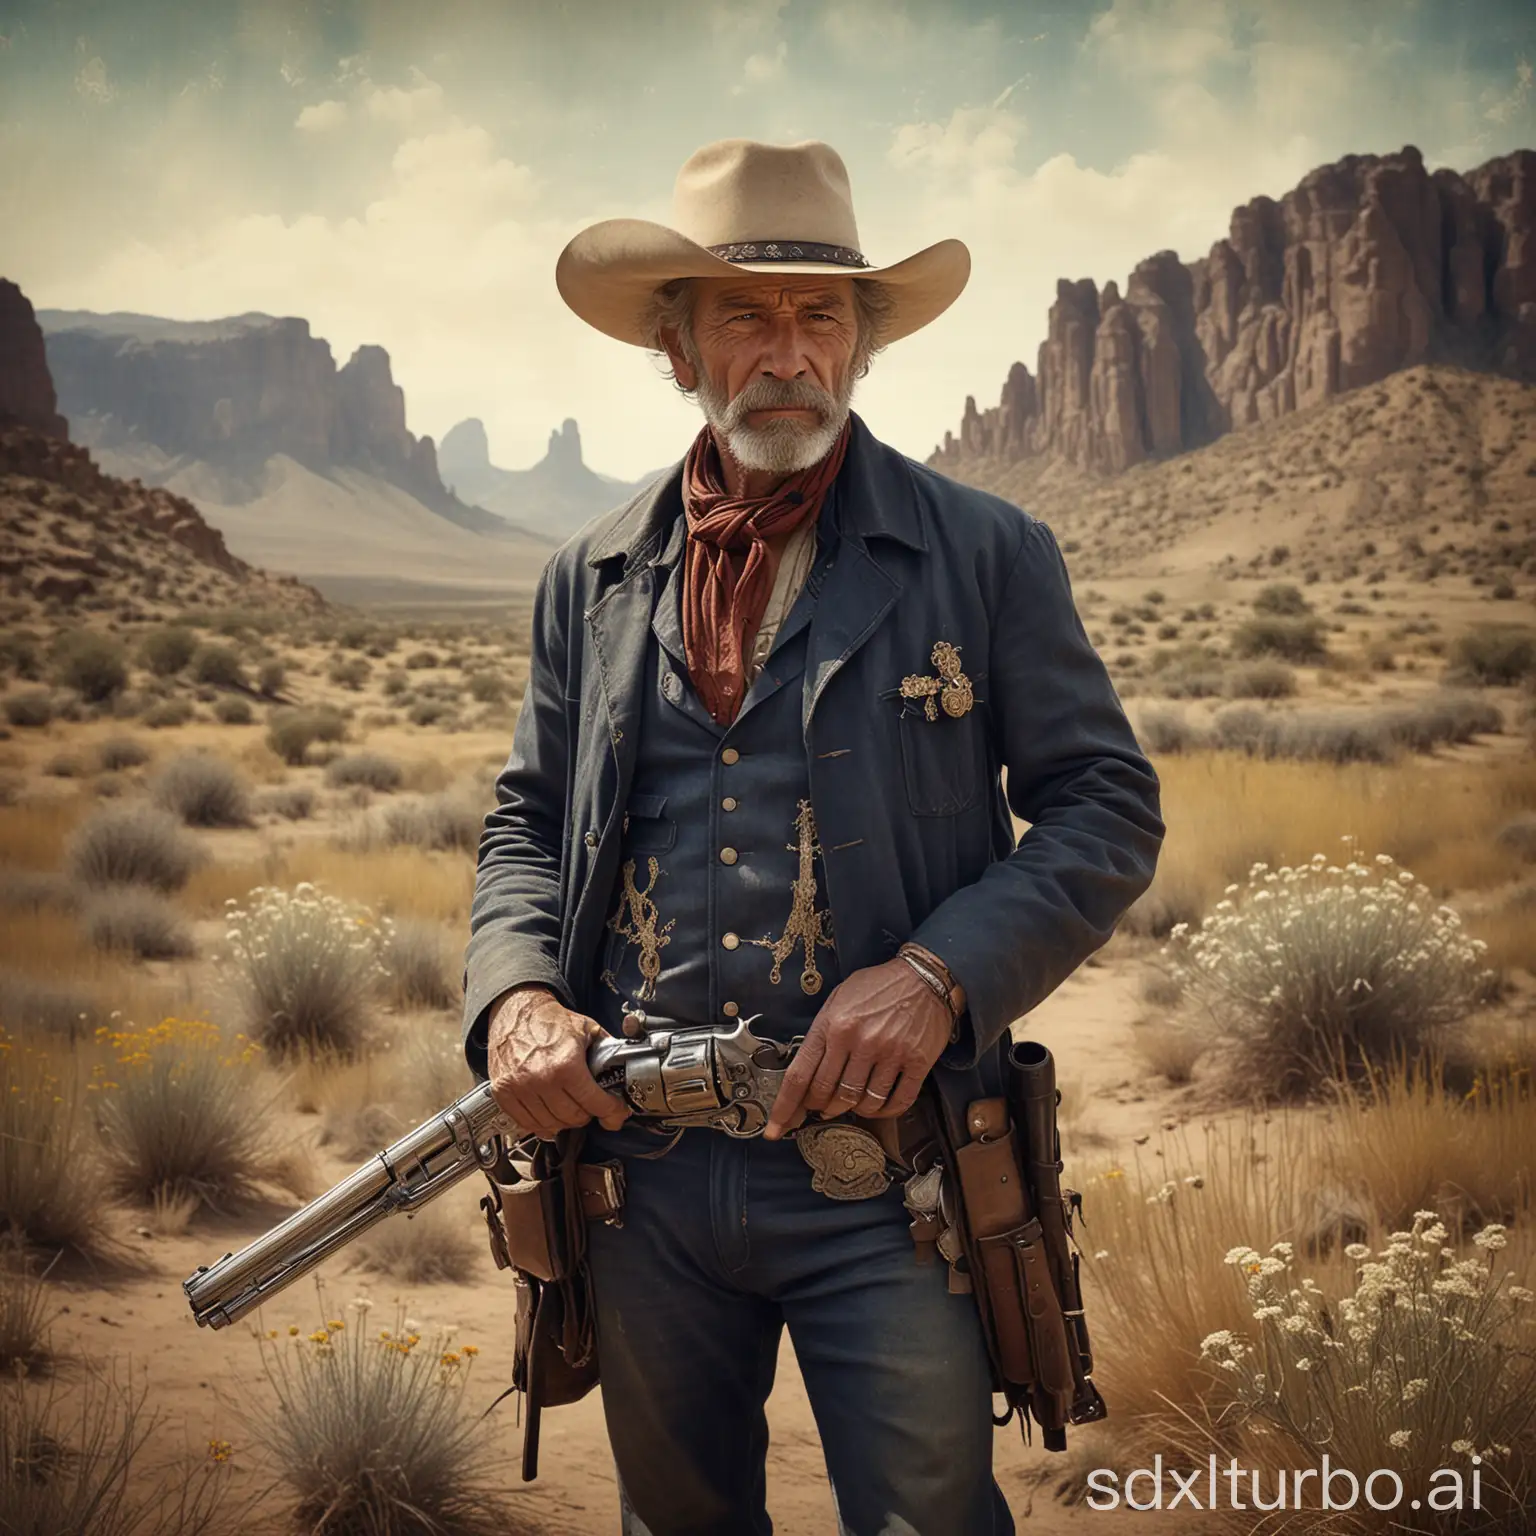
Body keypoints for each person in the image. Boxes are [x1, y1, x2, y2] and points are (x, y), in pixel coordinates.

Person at [464, 137, 1164, 1536]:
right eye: (746, 314)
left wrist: (937, 977)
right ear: (679, 347)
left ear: (859, 344)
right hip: (641, 1185)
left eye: (820, 315)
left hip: (886, 1180)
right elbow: (529, 823)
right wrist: (518, 997)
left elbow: (1105, 806)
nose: (787, 352)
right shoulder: (589, 579)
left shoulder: (984, 551)